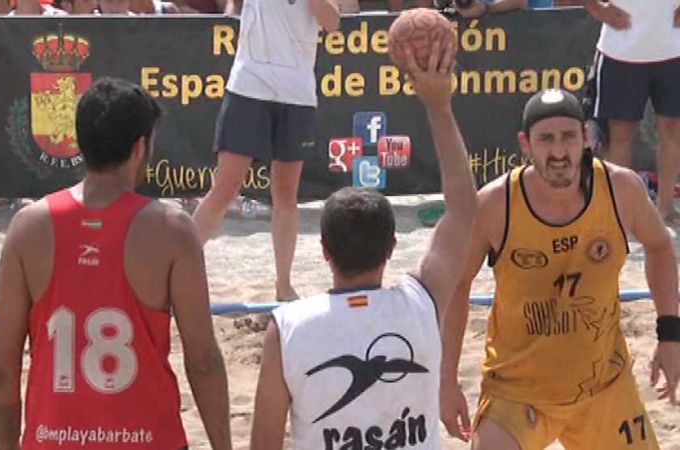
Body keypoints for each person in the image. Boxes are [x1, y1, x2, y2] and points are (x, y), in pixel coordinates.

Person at [250, 38, 477, 449]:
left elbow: (264, 443)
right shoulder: (420, 303)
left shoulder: (288, 327)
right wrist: (439, 107)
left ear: (323, 250)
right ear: (392, 247)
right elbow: (463, 208)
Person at [0, 78, 232, 450]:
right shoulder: (171, 229)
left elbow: (2, 368)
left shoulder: (28, 226)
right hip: (149, 440)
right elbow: (203, 361)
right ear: (140, 147)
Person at [440, 89, 680, 450]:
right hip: (518, 390)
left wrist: (670, 334)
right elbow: (457, 286)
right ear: (526, 144)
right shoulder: (496, 204)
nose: (558, 152)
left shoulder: (619, 188)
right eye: (546, 139)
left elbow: (660, 245)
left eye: (568, 137)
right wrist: (446, 381)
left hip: (603, 384)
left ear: (586, 137)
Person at [192, 0, 340, 301]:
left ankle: (283, 285)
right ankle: (173, 265)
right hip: (250, 86)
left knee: (286, 195)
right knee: (225, 188)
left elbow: (333, 22)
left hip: (296, 92)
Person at [581, 0, 680, 226]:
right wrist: (597, 8)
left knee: (674, 130)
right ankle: (620, 208)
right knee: (620, 134)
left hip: (674, 45)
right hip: (621, 49)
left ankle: (665, 206)